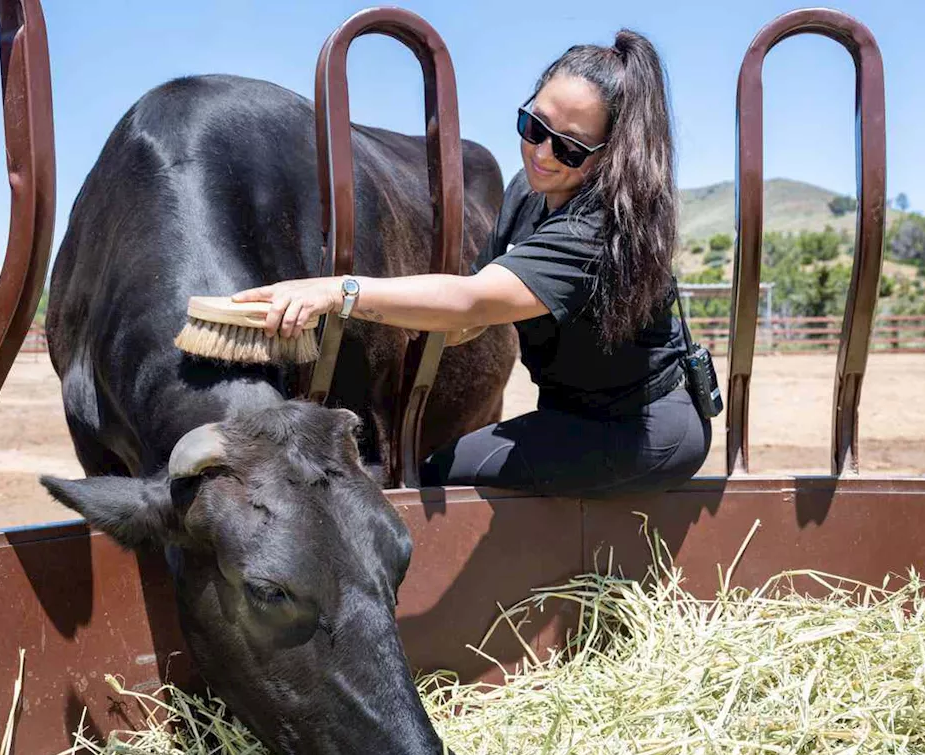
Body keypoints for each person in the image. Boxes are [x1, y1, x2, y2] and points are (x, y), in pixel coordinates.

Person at [233, 30, 710, 497]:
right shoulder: (528, 193)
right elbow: (474, 304)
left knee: (441, 477)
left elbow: (471, 302)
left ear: (611, 156)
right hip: (571, 412)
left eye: (569, 147)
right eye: (534, 127)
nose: (542, 154)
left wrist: (339, 292)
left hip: (640, 429)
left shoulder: (598, 230)